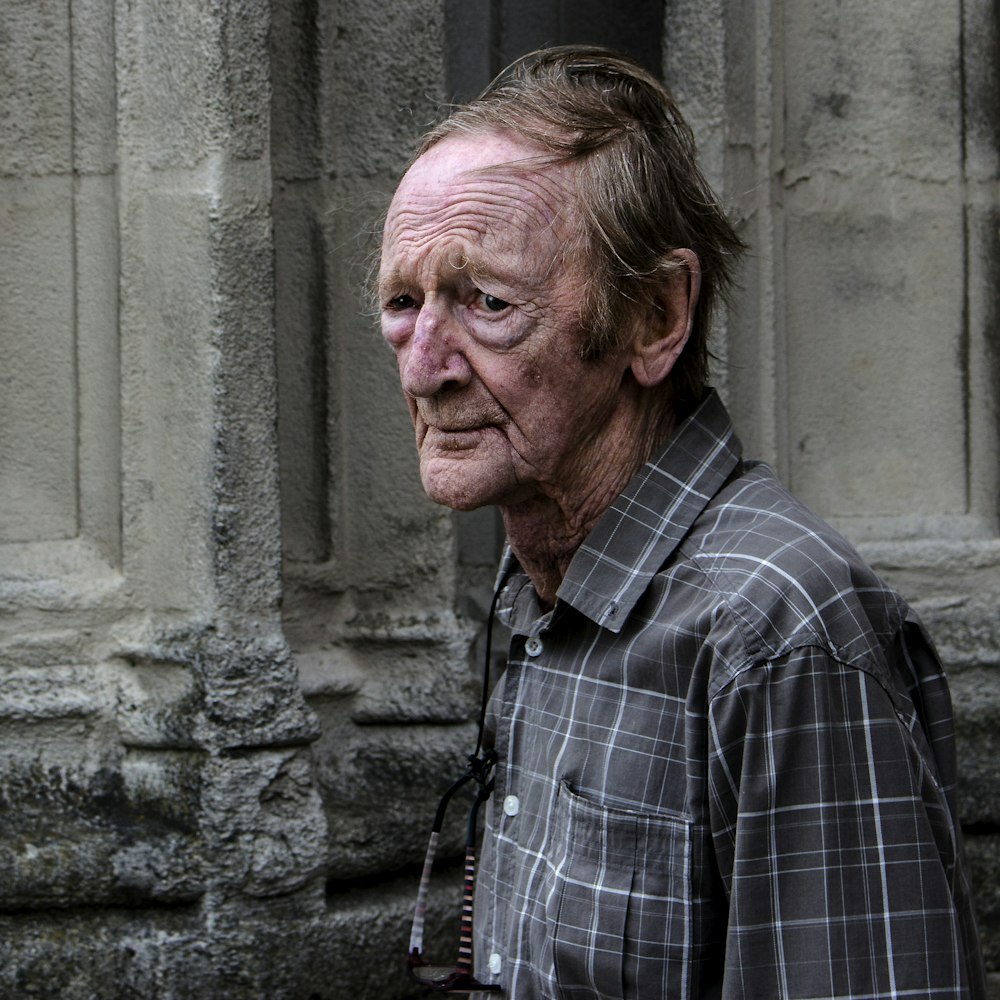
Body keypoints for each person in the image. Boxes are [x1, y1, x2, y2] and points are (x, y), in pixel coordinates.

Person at [378, 45, 986, 999]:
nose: (424, 367)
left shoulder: (780, 633)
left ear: (657, 317)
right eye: (404, 304)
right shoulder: (542, 580)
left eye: (488, 303)